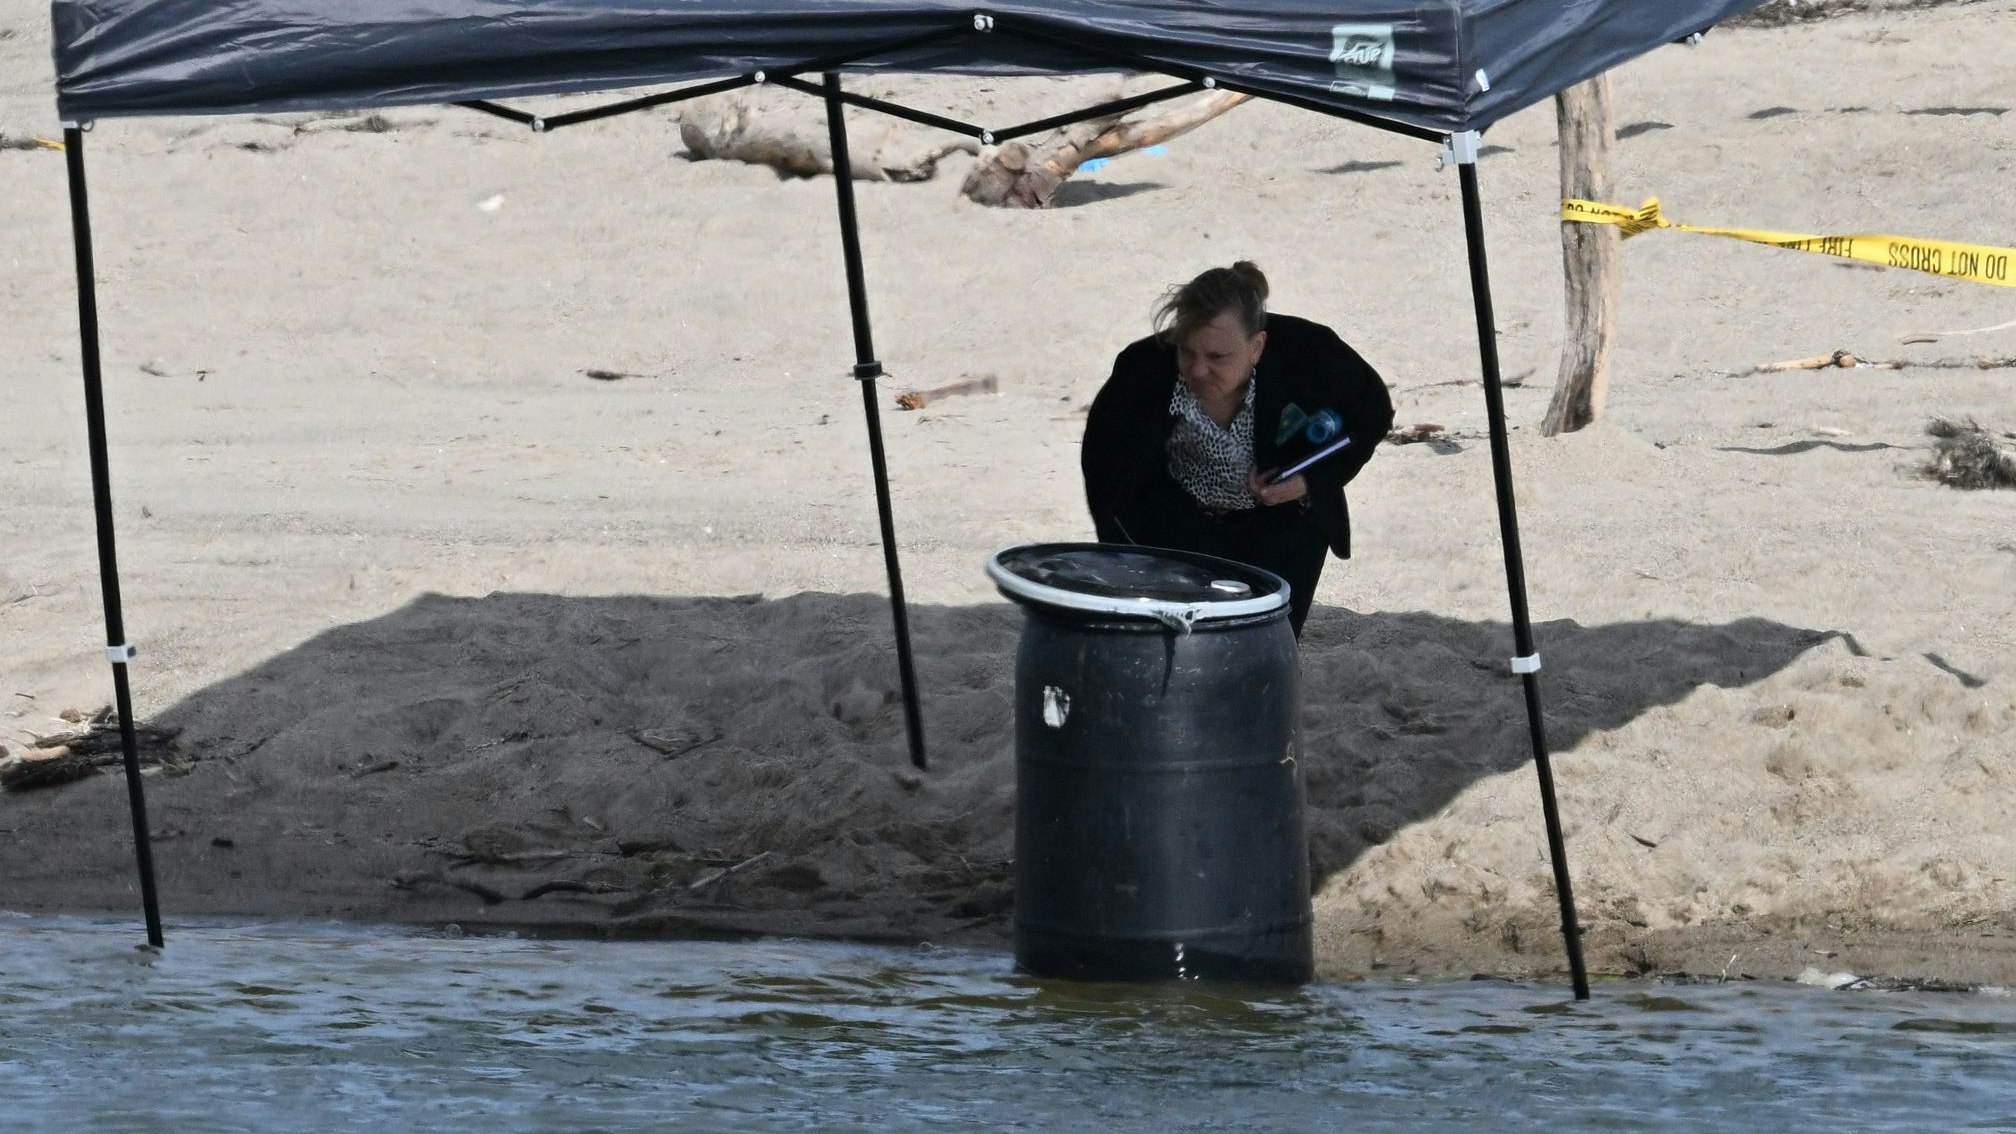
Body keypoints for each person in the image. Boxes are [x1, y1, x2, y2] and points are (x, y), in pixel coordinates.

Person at [1080, 261, 1393, 636]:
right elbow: (1104, 466)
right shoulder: (1141, 371)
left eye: (1217, 357)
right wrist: (1127, 553)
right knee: (1176, 642)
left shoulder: (1311, 355)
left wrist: (1308, 480)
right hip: (1176, 524)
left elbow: (1371, 413)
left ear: (1257, 347)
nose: (1197, 370)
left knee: (1267, 642)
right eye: (1187, 352)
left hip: (1284, 527)